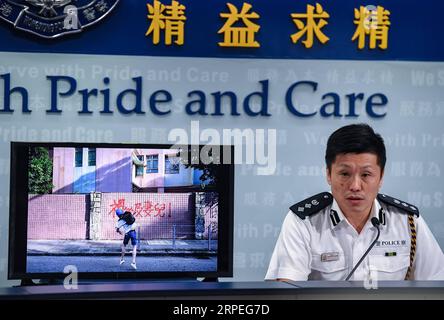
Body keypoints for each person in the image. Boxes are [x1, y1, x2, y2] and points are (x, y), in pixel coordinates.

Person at [265, 123, 444, 281]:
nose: (355, 186)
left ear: (381, 177)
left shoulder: (407, 221)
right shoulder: (303, 222)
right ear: (328, 174)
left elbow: (436, 284)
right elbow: (286, 291)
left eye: (366, 175)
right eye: (344, 174)